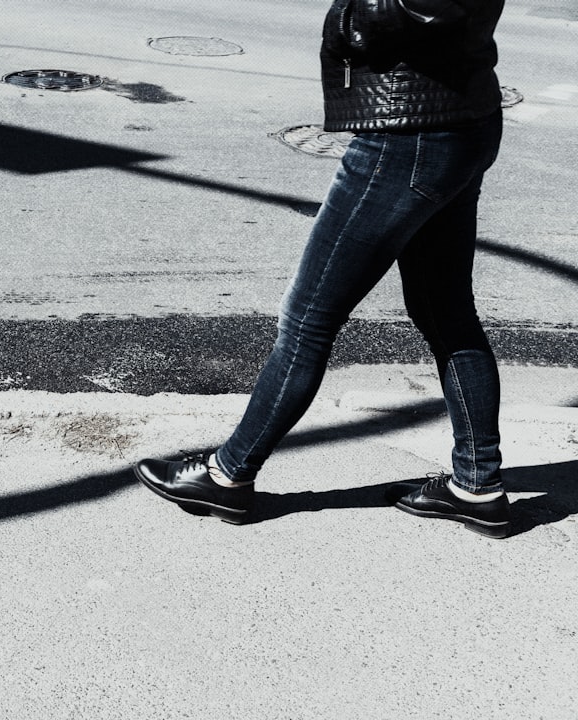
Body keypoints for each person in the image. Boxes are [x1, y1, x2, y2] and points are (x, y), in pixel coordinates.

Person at [135, 0, 512, 538]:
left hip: (409, 133)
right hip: (457, 117)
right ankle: (478, 486)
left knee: (309, 318)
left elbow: (408, 11)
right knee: (445, 312)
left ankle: (228, 475)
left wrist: (352, 13)